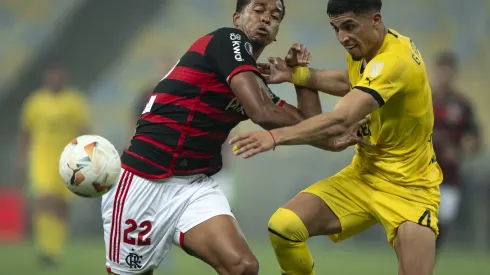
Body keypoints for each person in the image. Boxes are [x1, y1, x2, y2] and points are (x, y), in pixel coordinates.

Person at [101, 1, 364, 274]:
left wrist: (300, 77)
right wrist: (331, 133)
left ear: (276, 34)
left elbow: (309, 127)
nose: (266, 19)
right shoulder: (227, 39)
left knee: (243, 266)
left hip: (194, 187)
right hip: (144, 179)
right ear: (238, 18)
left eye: (275, 17)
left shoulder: (252, 82)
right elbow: (263, 113)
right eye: (258, 10)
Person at [231, 1, 443, 274]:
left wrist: (275, 137)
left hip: (410, 188)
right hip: (363, 175)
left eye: (349, 27)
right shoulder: (366, 48)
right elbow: (351, 82)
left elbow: (341, 118)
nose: (342, 37)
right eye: (336, 28)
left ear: (375, 20)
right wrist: (298, 75)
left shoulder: (395, 61)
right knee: (284, 227)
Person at [18, 64, 89, 266]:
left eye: (59, 76)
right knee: (44, 199)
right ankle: (44, 247)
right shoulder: (35, 102)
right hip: (41, 159)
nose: (55, 79)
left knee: (61, 206)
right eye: (51, 76)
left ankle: (55, 249)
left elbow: (84, 130)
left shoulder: (74, 102)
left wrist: (89, 158)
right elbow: (26, 132)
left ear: (64, 78)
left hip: (69, 159)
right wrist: (21, 159)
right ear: (46, 78)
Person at [431, 51, 481, 255]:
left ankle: (424, 264)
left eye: (448, 72)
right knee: (421, 224)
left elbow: (476, 139)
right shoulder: (423, 99)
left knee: (442, 224)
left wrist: (460, 151)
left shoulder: (462, 105)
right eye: (441, 71)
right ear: (436, 72)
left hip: (450, 177)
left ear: (454, 74)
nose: (445, 76)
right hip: (421, 174)